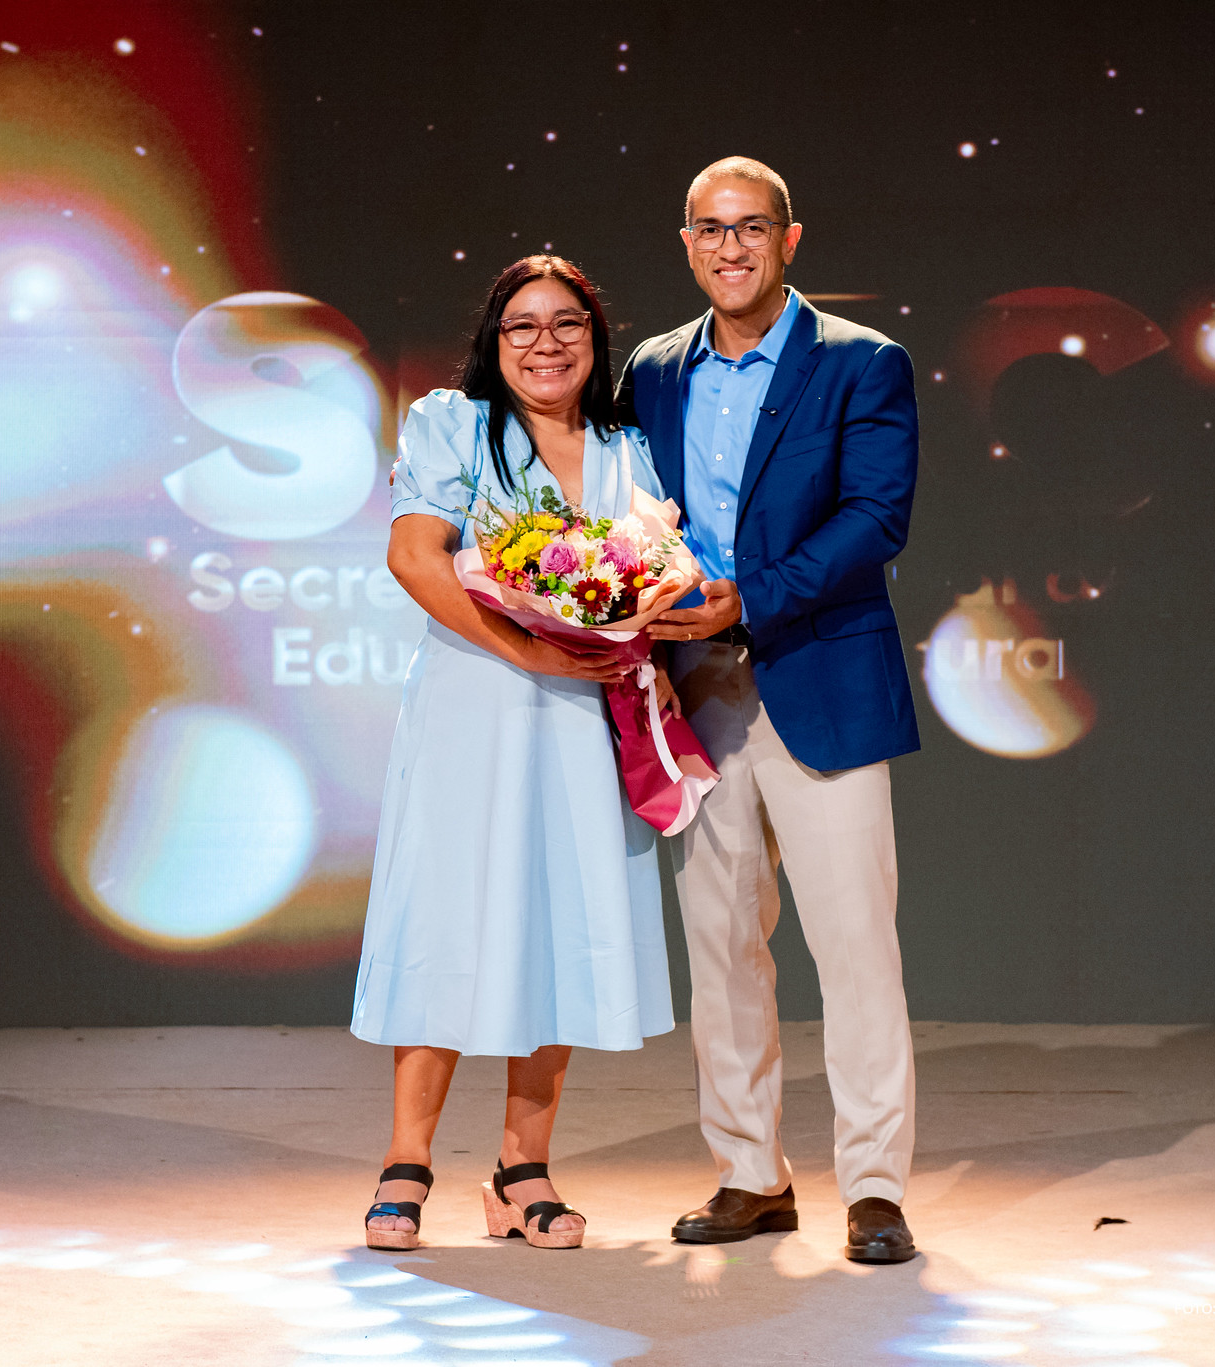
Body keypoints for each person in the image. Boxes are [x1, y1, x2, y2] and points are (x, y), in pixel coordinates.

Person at [617, 157, 923, 1265]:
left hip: (818, 678)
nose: (730, 247)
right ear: (686, 244)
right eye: (710, 228)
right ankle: (751, 1172)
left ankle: (874, 1187)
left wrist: (748, 597)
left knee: (855, 948)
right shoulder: (652, 369)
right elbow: (625, 513)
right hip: (696, 695)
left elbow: (874, 519)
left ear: (789, 240)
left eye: (751, 227)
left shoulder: (860, 361)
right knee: (722, 945)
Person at [351, 255, 676, 1252]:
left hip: (584, 719)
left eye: (567, 323)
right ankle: (405, 1159)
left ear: (595, 337)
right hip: (472, 709)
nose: (546, 343)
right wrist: (528, 646)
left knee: (558, 921)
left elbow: (659, 572)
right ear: (494, 342)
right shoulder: (452, 423)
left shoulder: (627, 447)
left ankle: (521, 1168)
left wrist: (649, 643)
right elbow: (414, 555)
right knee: (448, 916)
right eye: (522, 325)